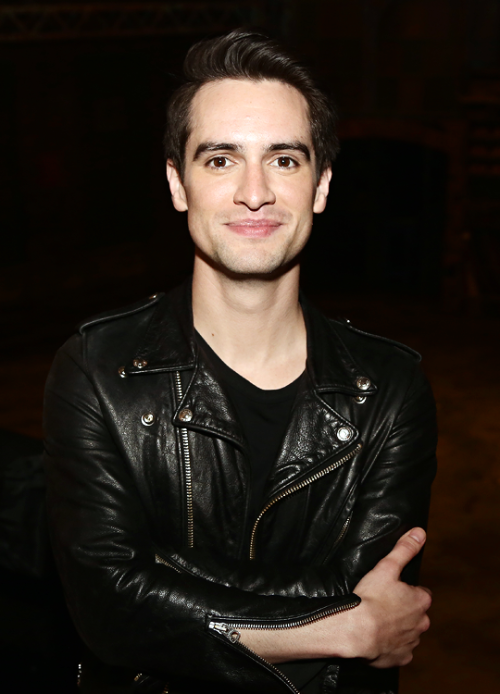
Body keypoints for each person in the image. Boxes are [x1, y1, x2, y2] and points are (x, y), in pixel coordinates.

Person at [43, 30, 437, 694]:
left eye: (284, 160)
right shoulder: (97, 371)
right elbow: (107, 610)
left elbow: (375, 586)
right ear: (178, 184)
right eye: (221, 160)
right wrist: (336, 630)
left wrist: (157, 579)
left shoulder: (391, 387)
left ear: (321, 185)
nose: (254, 193)